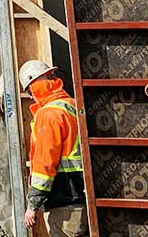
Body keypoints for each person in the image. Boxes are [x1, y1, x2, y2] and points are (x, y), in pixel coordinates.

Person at [19, 60, 89, 237]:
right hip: (84, 197)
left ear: (33, 87)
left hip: (64, 201)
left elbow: (44, 165)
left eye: (29, 91)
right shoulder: (73, 105)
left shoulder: (48, 115)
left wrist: (32, 205)